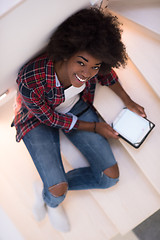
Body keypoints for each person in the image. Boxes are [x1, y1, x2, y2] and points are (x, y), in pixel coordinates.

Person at [12, 7, 146, 232]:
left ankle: (48, 187)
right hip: (35, 119)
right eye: (81, 63)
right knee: (58, 192)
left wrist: (128, 100)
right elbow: (51, 118)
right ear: (66, 53)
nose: (87, 73)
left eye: (94, 67)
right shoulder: (31, 78)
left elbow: (108, 74)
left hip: (74, 108)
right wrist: (95, 127)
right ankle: (51, 196)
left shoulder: (95, 69)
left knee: (109, 178)